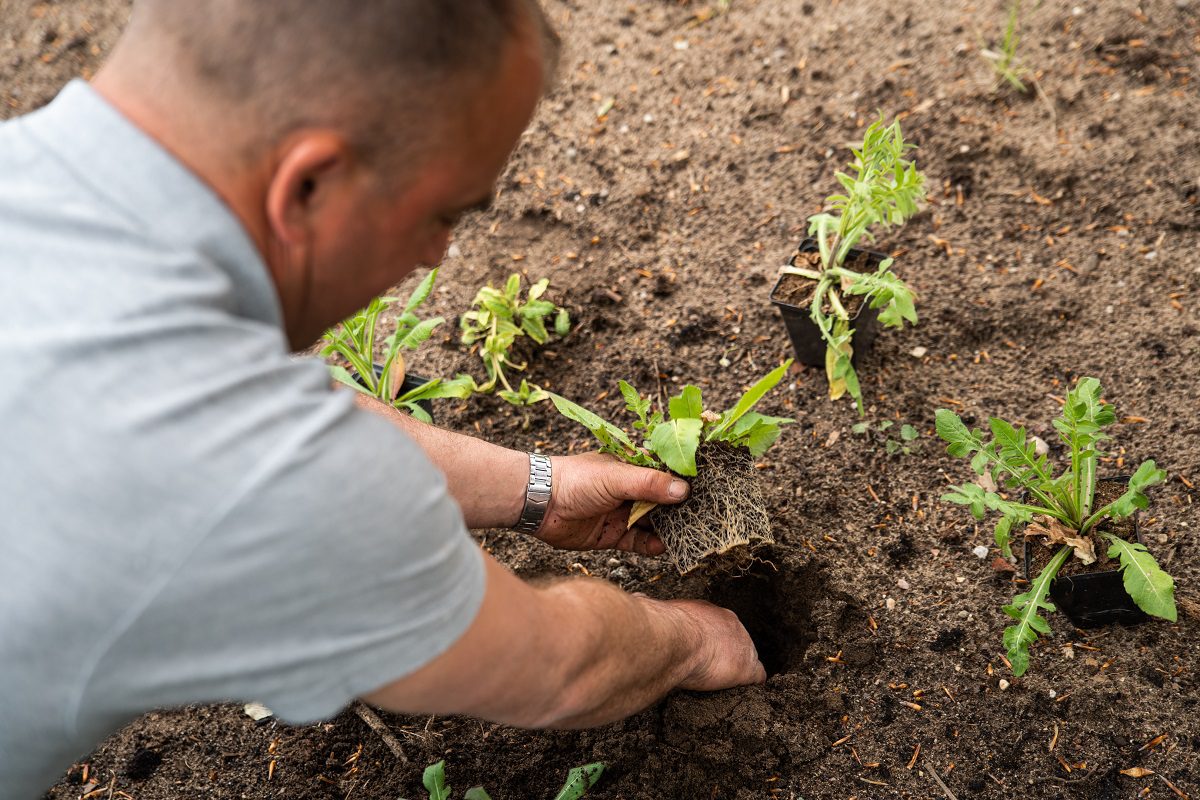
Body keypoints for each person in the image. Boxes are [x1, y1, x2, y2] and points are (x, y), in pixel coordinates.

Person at [0, 1, 765, 795]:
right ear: (310, 183)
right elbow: (557, 667)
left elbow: (265, 405)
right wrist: (686, 639)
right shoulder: (230, 457)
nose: (439, 252)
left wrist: (539, 490)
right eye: (443, 214)